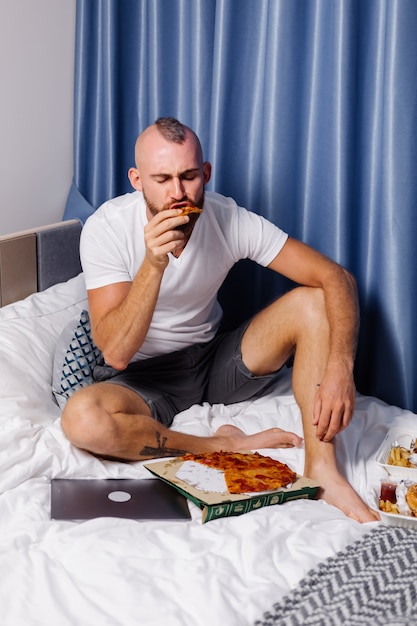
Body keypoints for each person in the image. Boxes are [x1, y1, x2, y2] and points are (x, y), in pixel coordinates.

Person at [61, 117, 379, 523]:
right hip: (141, 379)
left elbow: (336, 278)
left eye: (189, 177)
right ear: (137, 180)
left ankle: (322, 469)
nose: (178, 194)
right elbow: (118, 352)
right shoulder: (106, 228)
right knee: (83, 420)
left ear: (206, 174)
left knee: (313, 303)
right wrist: (154, 263)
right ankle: (218, 445)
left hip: (212, 363)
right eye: (162, 179)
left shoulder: (228, 218)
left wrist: (340, 367)